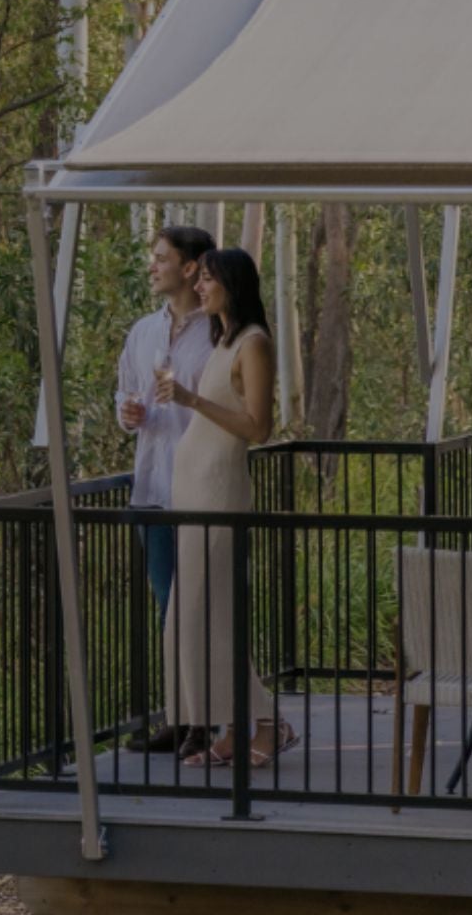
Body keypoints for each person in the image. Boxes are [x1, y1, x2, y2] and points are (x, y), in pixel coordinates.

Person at [156, 246, 295, 767]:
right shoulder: (222, 340)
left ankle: (266, 723)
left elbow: (258, 428)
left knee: (208, 614)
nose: (200, 287)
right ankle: (236, 727)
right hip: (191, 493)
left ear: (231, 284)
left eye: (208, 279)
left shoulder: (254, 344)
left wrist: (193, 402)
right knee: (194, 616)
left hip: (220, 491)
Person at [115, 226, 215, 754]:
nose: (152, 267)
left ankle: (207, 720)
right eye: (152, 258)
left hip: (201, 489)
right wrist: (128, 414)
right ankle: (178, 717)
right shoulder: (142, 332)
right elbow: (126, 394)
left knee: (201, 606)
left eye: (161, 259)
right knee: (165, 605)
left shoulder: (219, 332)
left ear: (193, 266)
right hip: (153, 486)